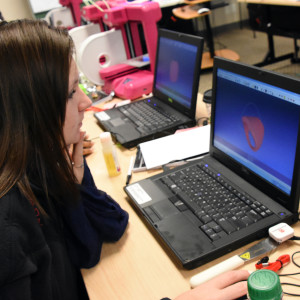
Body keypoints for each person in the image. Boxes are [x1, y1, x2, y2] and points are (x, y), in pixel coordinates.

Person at [0, 19, 249, 300]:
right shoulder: (8, 229)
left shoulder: (37, 170)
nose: (85, 102)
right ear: (29, 112)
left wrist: (77, 187)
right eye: (71, 92)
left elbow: (94, 244)